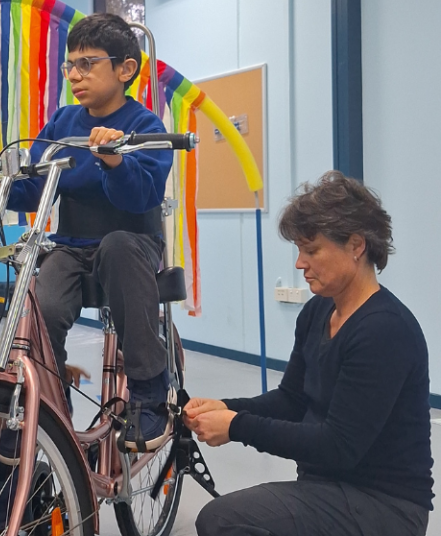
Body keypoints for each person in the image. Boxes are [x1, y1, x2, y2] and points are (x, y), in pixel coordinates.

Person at [0, 13, 173, 449]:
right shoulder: (62, 123)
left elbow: (142, 197)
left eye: (87, 64)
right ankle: (54, 406)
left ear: (125, 69)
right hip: (73, 246)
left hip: (133, 245)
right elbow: (35, 187)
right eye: (69, 66)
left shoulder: (146, 125)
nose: (75, 75)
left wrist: (114, 160)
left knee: (116, 246)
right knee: (44, 304)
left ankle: (149, 395)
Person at [185, 171, 433, 536]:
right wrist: (227, 407)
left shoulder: (384, 330)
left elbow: (338, 446)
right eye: (299, 250)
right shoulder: (318, 312)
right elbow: (293, 399)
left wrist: (236, 426)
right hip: (329, 489)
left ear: (356, 245)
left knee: (222, 520)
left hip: (386, 506)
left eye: (312, 250)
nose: (300, 263)